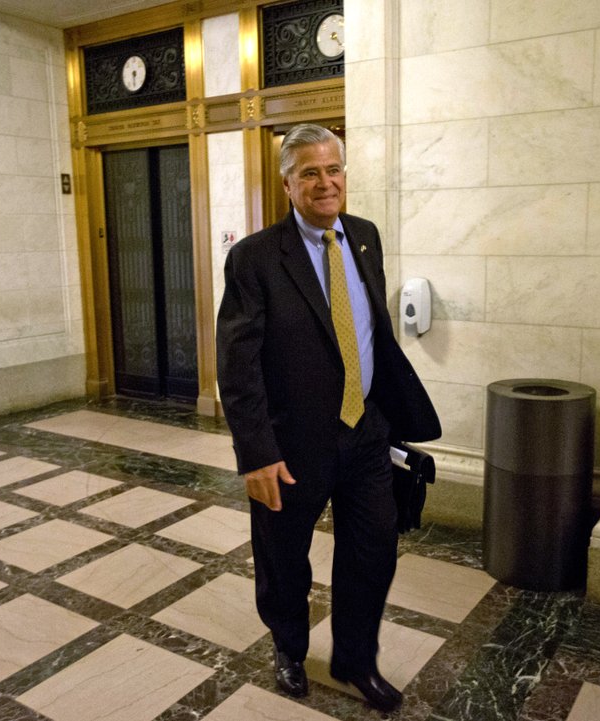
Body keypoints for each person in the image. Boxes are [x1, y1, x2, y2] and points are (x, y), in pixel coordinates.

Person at [216, 124, 441, 713]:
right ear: (288, 184)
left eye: (333, 169)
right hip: (292, 444)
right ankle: (289, 648)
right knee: (284, 556)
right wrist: (257, 454)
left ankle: (355, 660)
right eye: (310, 173)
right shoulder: (255, 259)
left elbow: (371, 333)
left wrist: (388, 416)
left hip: (366, 431)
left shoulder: (364, 237)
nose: (325, 182)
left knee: (373, 551)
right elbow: (237, 368)